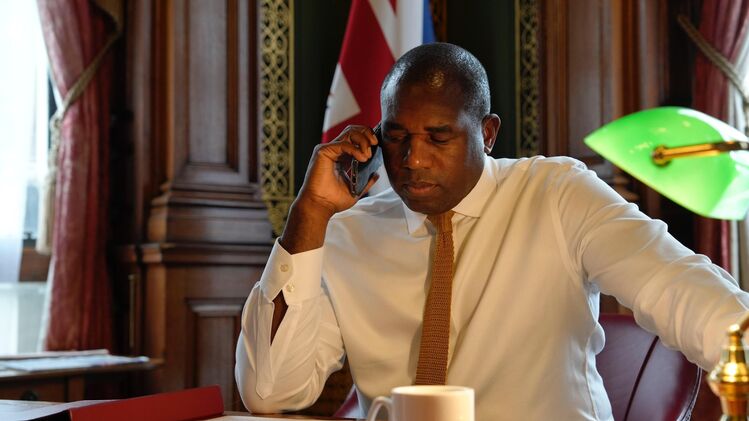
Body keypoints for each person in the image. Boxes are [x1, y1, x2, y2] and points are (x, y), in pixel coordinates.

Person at [235, 42, 749, 420]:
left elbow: (675, 286)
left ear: (487, 133)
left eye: (439, 137)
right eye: (396, 137)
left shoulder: (558, 195)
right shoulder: (349, 234)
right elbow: (270, 392)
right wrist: (310, 212)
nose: (413, 160)